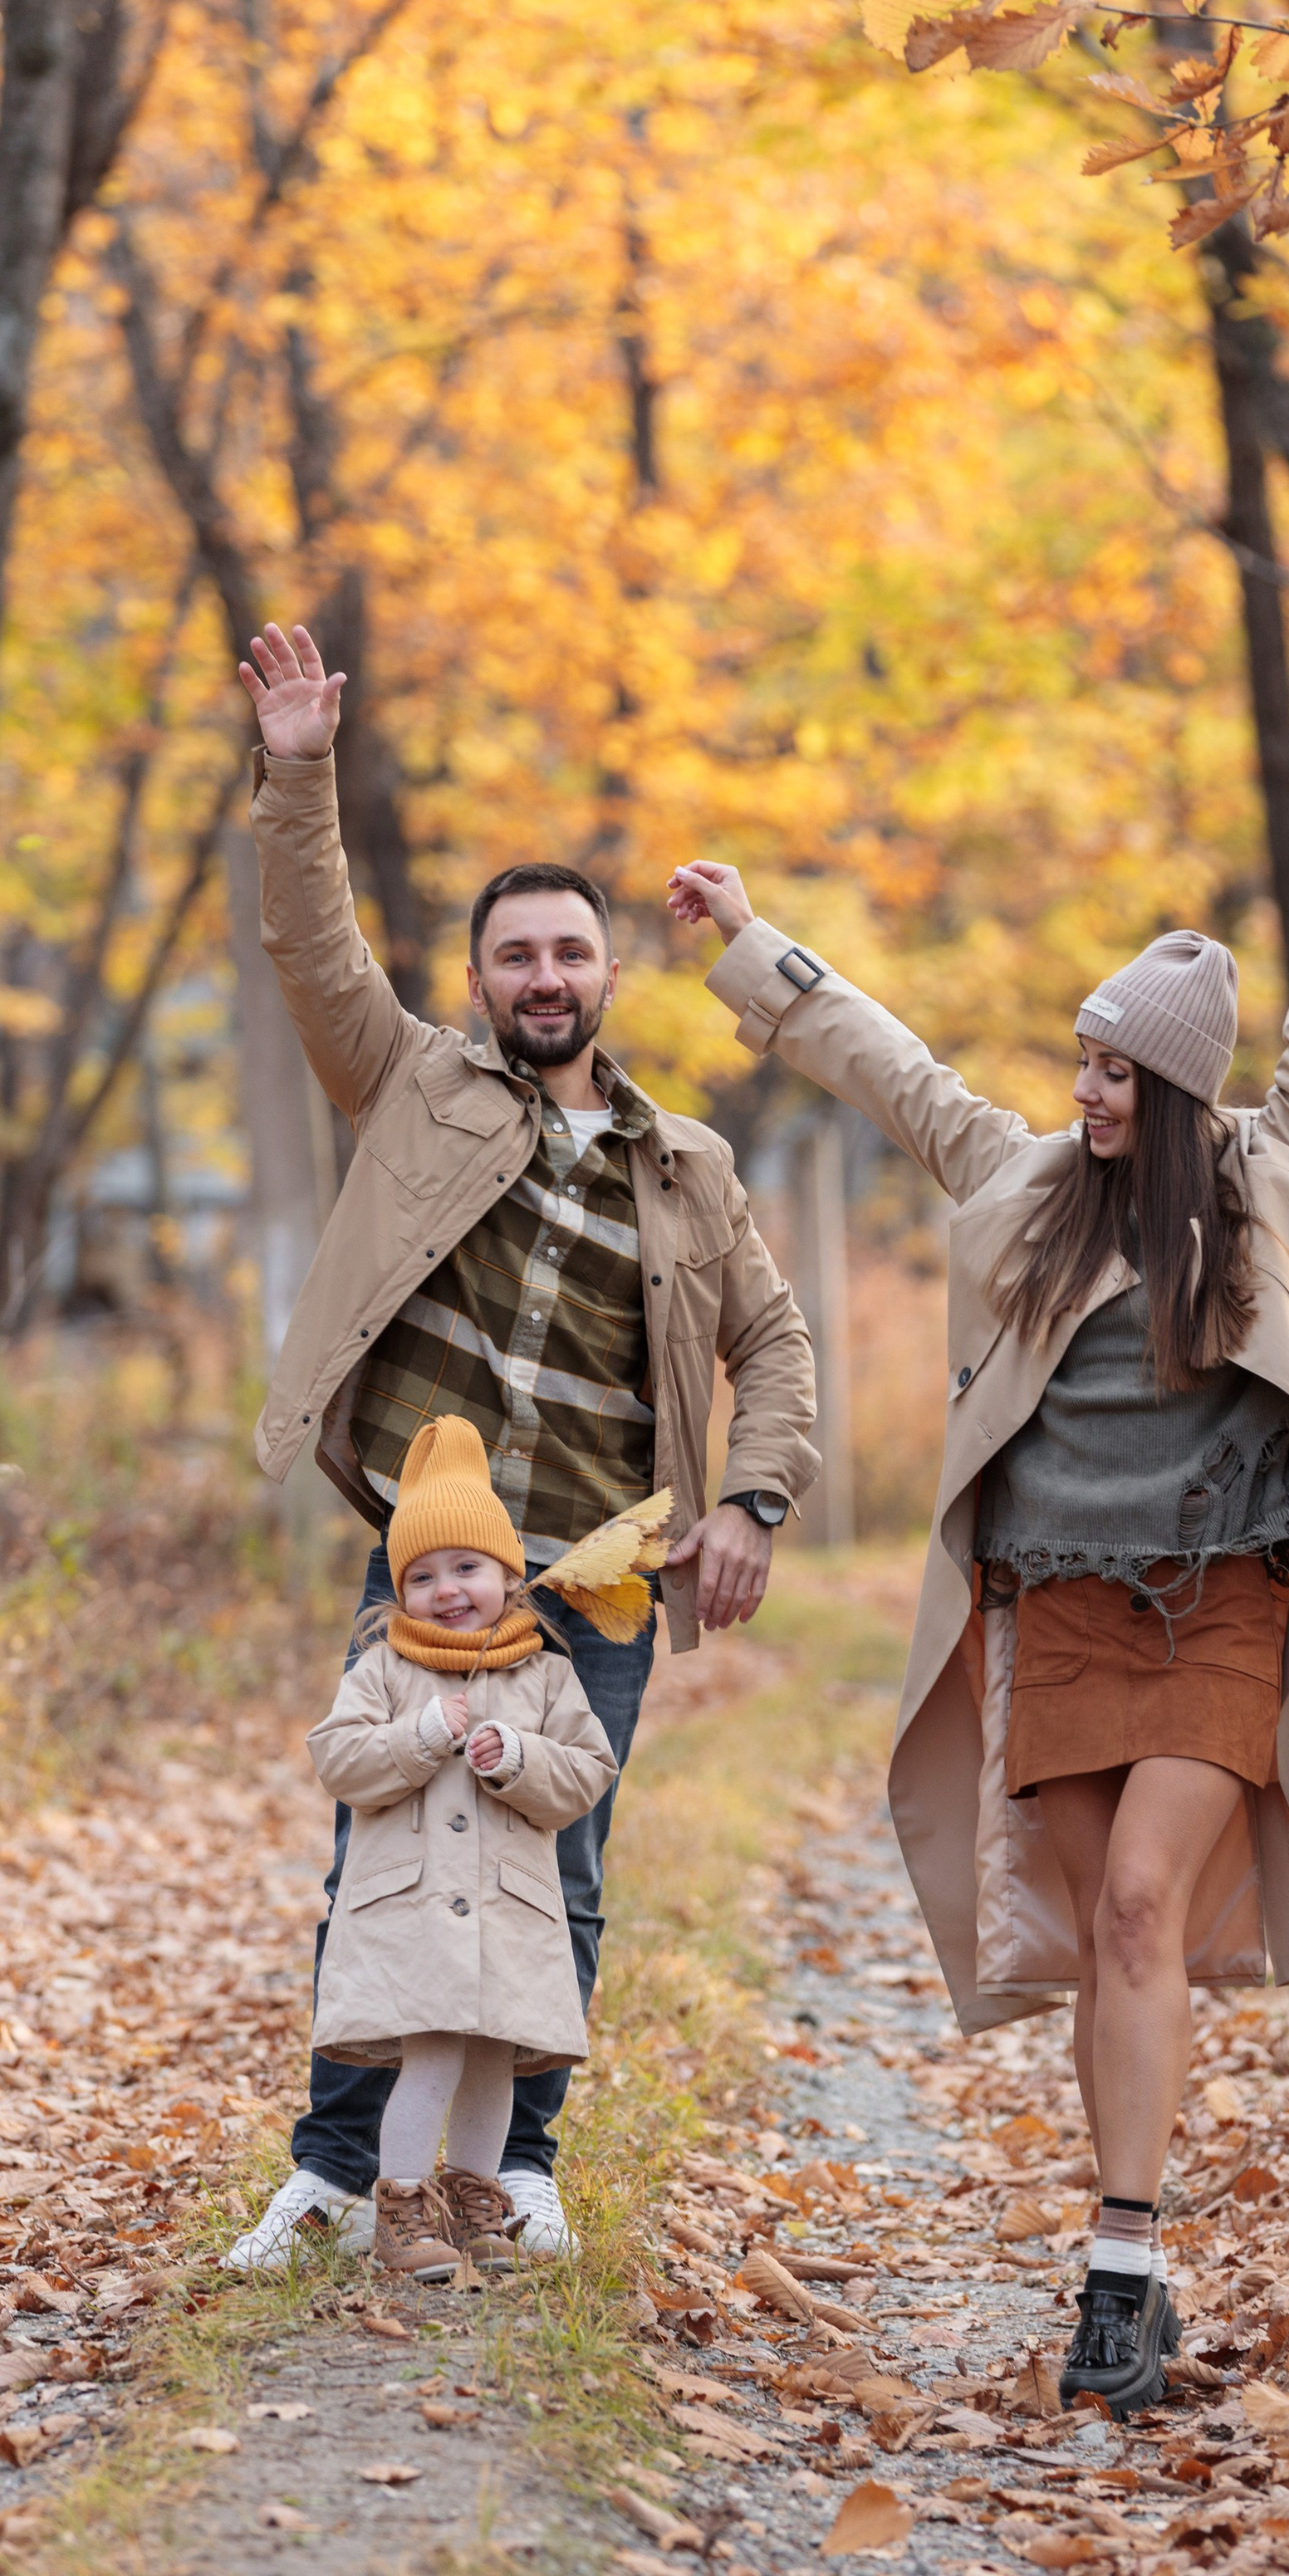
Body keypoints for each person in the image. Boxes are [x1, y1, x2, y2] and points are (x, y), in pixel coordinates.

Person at [667, 696, 1289, 2417]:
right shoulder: (1025, 1184)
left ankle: (1117, 2276)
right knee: (1104, 1936)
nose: (1083, 1091)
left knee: (1143, 1896)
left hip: (1222, 1602)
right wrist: (757, 948)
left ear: (1180, 1085)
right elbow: (895, 1072)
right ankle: (1123, 2264)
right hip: (1055, 1603)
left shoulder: (1273, 1181)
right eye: (1079, 1061)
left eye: (1115, 1070)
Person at [228, 620, 819, 2270]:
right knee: (383, 1859)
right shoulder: (410, 1081)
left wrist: (753, 1498)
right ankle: (337, 2180)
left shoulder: (685, 1167)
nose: (543, 978)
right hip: (435, 1566)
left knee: (557, 1871)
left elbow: (769, 1346)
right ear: (482, 977)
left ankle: (521, 2171)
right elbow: (308, 945)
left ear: (606, 976)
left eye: (569, 952)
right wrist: (297, 771)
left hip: (603, 1580)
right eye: (515, 956)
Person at [305, 1418, 620, 2280]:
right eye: (422, 1575)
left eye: (467, 1569)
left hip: (507, 1913)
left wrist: (517, 1758)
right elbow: (338, 1759)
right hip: (411, 1916)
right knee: (434, 2050)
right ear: (397, 1589)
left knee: (493, 2059)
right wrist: (416, 1736)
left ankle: (476, 2199)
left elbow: (588, 1772)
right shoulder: (381, 1670)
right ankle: (400, 2207)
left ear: (511, 1576)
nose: (447, 1590)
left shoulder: (547, 1674)